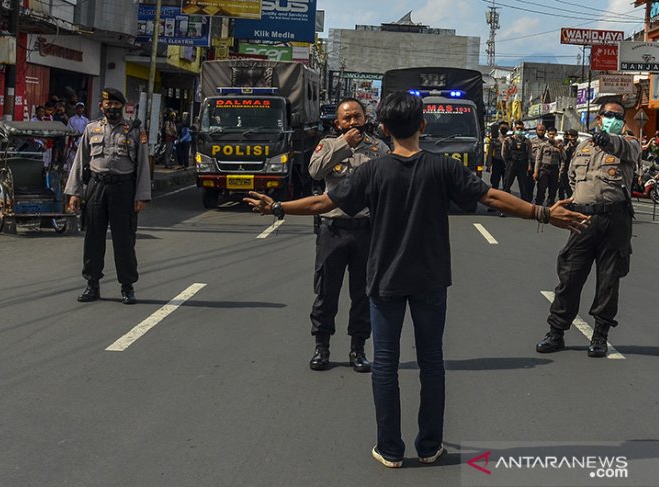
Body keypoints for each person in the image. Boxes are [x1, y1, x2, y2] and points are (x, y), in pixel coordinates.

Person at [244, 92, 589, 468]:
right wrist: (542, 212)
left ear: (385, 128)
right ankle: (429, 447)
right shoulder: (443, 168)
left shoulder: (371, 171)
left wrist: (277, 207)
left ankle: (390, 449)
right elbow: (493, 197)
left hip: (385, 283)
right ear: (423, 125)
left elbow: (323, 203)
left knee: (386, 366)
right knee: (431, 363)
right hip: (430, 282)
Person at [536, 100, 640, 358]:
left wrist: (607, 139)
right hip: (583, 219)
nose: (613, 119)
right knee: (569, 277)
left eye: (618, 116)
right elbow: (572, 179)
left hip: (615, 220)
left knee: (608, 281)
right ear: (598, 118)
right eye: (608, 115)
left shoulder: (629, 144)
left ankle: (600, 336)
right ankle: (556, 332)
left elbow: (622, 147)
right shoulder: (582, 147)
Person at [306, 98, 390, 372]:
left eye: (357, 116)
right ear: (338, 123)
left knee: (363, 293)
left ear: (366, 118)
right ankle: (322, 347)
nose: (353, 122)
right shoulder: (329, 145)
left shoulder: (380, 149)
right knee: (326, 292)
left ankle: (358, 348)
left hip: (366, 231)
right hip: (333, 230)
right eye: (347, 118)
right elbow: (315, 171)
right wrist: (345, 145)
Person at [64, 88, 151, 305]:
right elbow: (80, 161)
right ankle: (92, 284)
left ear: (122, 106)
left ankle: (127, 287)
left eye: (115, 104)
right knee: (93, 238)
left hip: (124, 189)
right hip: (96, 187)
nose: (111, 108)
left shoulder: (134, 130)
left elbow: (143, 165)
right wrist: (75, 193)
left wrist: (141, 195)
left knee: (124, 240)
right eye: (107, 104)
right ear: (101, 106)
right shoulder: (91, 128)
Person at [502, 120, 532, 202]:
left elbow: (529, 154)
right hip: (511, 165)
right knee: (506, 186)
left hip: (522, 166)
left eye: (521, 128)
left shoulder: (527, 141)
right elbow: (503, 154)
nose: (519, 130)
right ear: (514, 128)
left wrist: (529, 165)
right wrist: (508, 163)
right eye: (517, 128)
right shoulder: (508, 140)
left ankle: (524, 209)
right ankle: (504, 207)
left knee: (524, 187)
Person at [533, 126, 564, 206]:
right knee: (541, 189)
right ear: (547, 134)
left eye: (553, 134)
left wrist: (561, 149)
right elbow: (538, 158)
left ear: (556, 135)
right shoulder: (543, 145)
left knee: (553, 190)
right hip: (544, 168)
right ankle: (538, 206)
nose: (552, 136)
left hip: (554, 169)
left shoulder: (559, 145)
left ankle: (550, 207)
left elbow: (564, 158)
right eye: (550, 134)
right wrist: (536, 172)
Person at [559, 129, 578, 200]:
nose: (572, 138)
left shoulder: (579, 147)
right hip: (565, 170)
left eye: (574, 136)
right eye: (570, 136)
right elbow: (563, 158)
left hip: (576, 171)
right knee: (563, 187)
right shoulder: (565, 146)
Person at [485, 123, 505, 191]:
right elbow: (490, 153)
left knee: (506, 182)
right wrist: (488, 165)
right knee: (495, 181)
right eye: (502, 127)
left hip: (506, 163)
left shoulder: (509, 138)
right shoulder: (494, 140)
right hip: (497, 161)